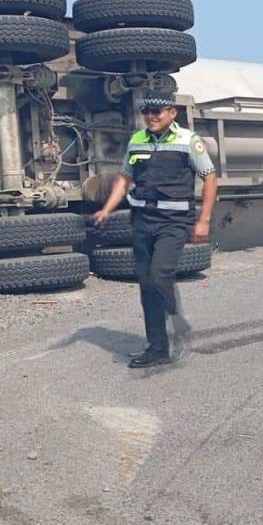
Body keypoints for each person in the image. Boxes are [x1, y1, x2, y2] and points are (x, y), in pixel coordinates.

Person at [92, 92, 218, 368]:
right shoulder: (137, 140)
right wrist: (107, 209)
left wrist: (204, 220)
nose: (151, 116)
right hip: (142, 219)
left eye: (157, 111)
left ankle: (175, 314)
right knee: (147, 284)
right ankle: (157, 348)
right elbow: (125, 179)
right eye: (147, 111)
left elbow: (209, 177)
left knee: (160, 274)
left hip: (173, 220)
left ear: (172, 113)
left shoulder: (188, 140)